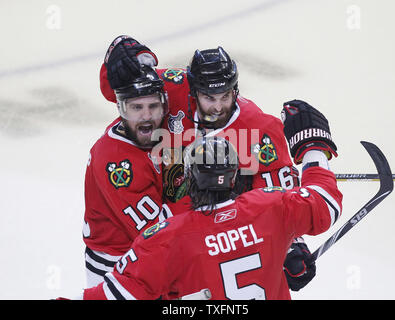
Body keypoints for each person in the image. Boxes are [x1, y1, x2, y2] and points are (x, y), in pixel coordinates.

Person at [98, 35, 327, 291]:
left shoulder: (258, 129)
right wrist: (116, 60)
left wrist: (292, 247)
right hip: (135, 248)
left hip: (212, 244)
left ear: (235, 90)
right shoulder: (172, 89)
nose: (218, 107)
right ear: (193, 91)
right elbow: (119, 90)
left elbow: (279, 198)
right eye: (209, 97)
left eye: (225, 96)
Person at [79, 100, 342, 300]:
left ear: (188, 180)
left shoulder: (166, 239)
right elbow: (325, 201)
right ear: (235, 176)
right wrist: (313, 147)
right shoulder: (272, 206)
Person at [82, 64, 170, 288]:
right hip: (116, 265)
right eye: (136, 107)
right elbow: (155, 232)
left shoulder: (146, 132)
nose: (146, 116)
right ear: (121, 109)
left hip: (140, 255)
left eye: (153, 106)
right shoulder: (116, 162)